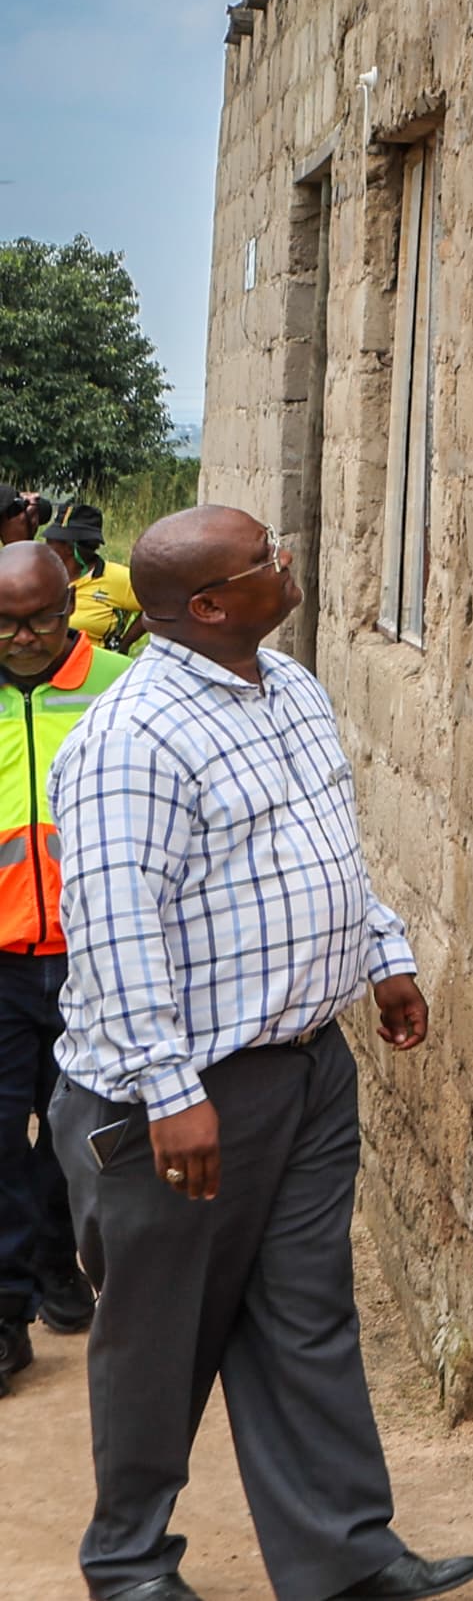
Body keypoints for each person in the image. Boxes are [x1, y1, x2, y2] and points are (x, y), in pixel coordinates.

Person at [49, 504, 473, 1601]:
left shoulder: (289, 686)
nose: (286, 563)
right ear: (207, 605)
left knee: (306, 1313)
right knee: (158, 1334)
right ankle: (130, 1565)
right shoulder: (131, 737)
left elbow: (324, 848)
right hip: (179, 1095)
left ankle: (345, 1554)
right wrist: (170, 1091)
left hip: (306, 1069)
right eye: (265, 559)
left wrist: (383, 954)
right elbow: (114, 926)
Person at [1, 536, 113, 1388]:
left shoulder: (120, 685)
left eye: (39, 618)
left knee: (80, 1132)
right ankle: (8, 1311)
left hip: (94, 959)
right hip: (1, 963)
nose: (23, 637)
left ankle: (58, 1260)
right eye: (5, 623)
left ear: (69, 606)